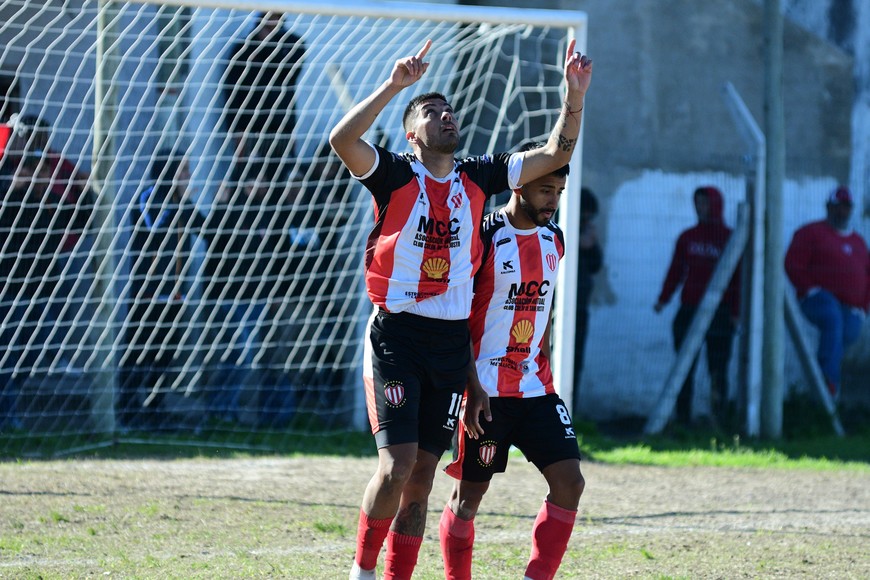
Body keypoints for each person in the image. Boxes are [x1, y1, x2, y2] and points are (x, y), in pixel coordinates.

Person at [328, 38, 592, 579]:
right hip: (397, 336)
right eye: (431, 111)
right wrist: (395, 86)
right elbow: (342, 139)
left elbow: (556, 154)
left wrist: (575, 94)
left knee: (423, 477)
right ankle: (362, 571)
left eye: (449, 109)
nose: (446, 115)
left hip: (449, 345)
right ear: (411, 132)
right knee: (397, 466)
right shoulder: (396, 173)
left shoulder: (476, 175)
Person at [439, 141, 584, 580]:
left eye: (558, 192)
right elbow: (456, 315)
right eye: (544, 190)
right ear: (518, 185)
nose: (552, 201)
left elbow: (543, 310)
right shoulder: (482, 235)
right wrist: (469, 388)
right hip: (485, 393)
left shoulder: (554, 238)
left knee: (570, 482)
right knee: (468, 499)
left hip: (536, 388)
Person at [0, 152, 83, 430]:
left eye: (45, 171)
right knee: (7, 357)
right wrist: (11, 190)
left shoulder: (51, 204)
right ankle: (8, 417)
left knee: (30, 356)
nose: (41, 177)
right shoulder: (11, 201)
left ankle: (10, 409)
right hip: (10, 293)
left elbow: (81, 221)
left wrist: (86, 192)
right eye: (34, 170)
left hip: (41, 294)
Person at [120, 150, 202, 429]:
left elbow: (211, 232)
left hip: (175, 296)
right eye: (183, 171)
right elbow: (153, 226)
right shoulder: (149, 197)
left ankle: (155, 410)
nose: (188, 177)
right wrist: (180, 202)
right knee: (137, 354)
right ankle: (127, 410)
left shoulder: (183, 203)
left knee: (164, 357)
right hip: (147, 295)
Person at [654, 186, 740, 430]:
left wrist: (735, 312)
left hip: (720, 314)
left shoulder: (729, 238)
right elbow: (676, 271)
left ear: (715, 205)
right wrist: (664, 298)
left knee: (718, 368)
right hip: (689, 310)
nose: (700, 208)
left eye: (705, 203)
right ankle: (683, 420)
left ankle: (719, 421)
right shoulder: (688, 237)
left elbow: (738, 280)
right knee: (684, 368)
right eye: (697, 203)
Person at [784, 186, 870, 399]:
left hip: (852, 307)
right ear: (829, 207)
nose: (842, 211)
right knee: (832, 318)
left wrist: (864, 308)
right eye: (837, 206)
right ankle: (827, 383)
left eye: (846, 207)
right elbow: (792, 263)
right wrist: (810, 288)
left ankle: (825, 393)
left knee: (846, 332)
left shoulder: (858, 242)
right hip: (818, 299)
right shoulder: (810, 233)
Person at [222, 11, 306, 187]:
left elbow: (287, 73)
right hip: (251, 129)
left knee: (281, 181)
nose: (273, 24)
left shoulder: (292, 46)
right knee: (250, 183)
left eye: (276, 18)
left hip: (281, 127)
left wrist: (271, 42)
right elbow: (233, 94)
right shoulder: (243, 50)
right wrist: (236, 131)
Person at [572, 187, 603, 419]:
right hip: (552, 308)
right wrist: (575, 244)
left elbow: (596, 265)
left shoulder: (587, 233)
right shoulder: (559, 228)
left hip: (580, 307)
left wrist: (590, 247)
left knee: (575, 361)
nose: (587, 220)